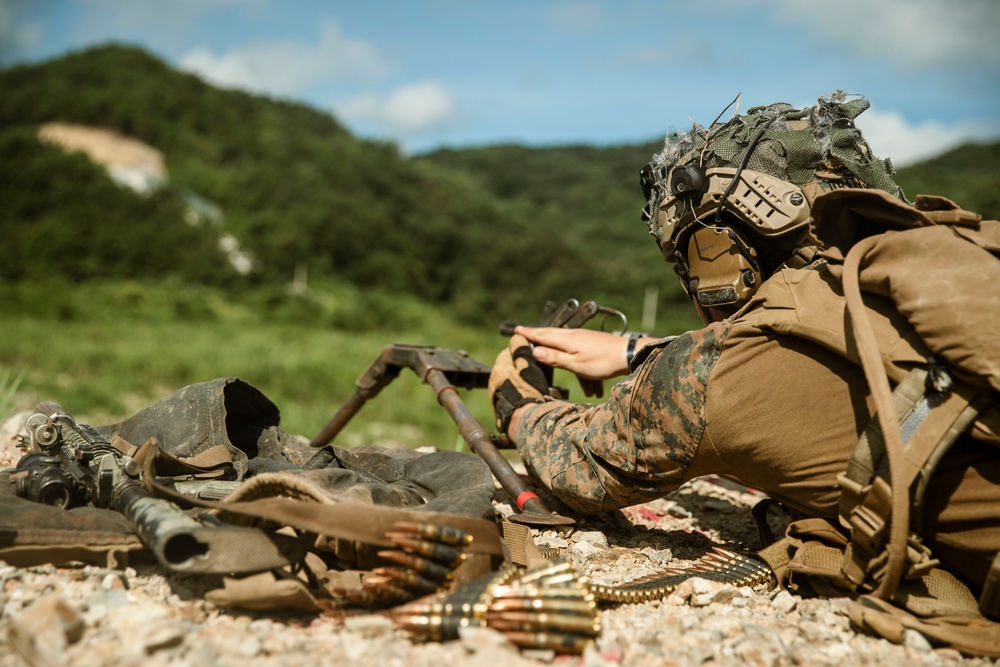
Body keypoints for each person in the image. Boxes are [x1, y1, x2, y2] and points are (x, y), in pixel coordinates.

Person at [487, 93, 1000, 649]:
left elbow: (582, 460)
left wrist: (517, 398)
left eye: (695, 258)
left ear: (726, 248)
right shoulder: (953, 260)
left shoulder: (725, 373)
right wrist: (639, 348)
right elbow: (830, 347)